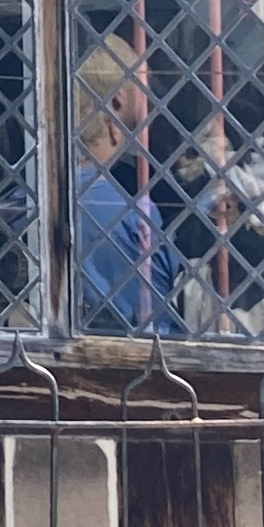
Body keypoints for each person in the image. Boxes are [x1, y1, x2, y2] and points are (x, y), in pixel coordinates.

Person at [71, 37, 179, 335]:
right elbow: (157, 334)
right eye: (145, 90)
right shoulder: (132, 216)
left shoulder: (26, 198)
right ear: (118, 101)